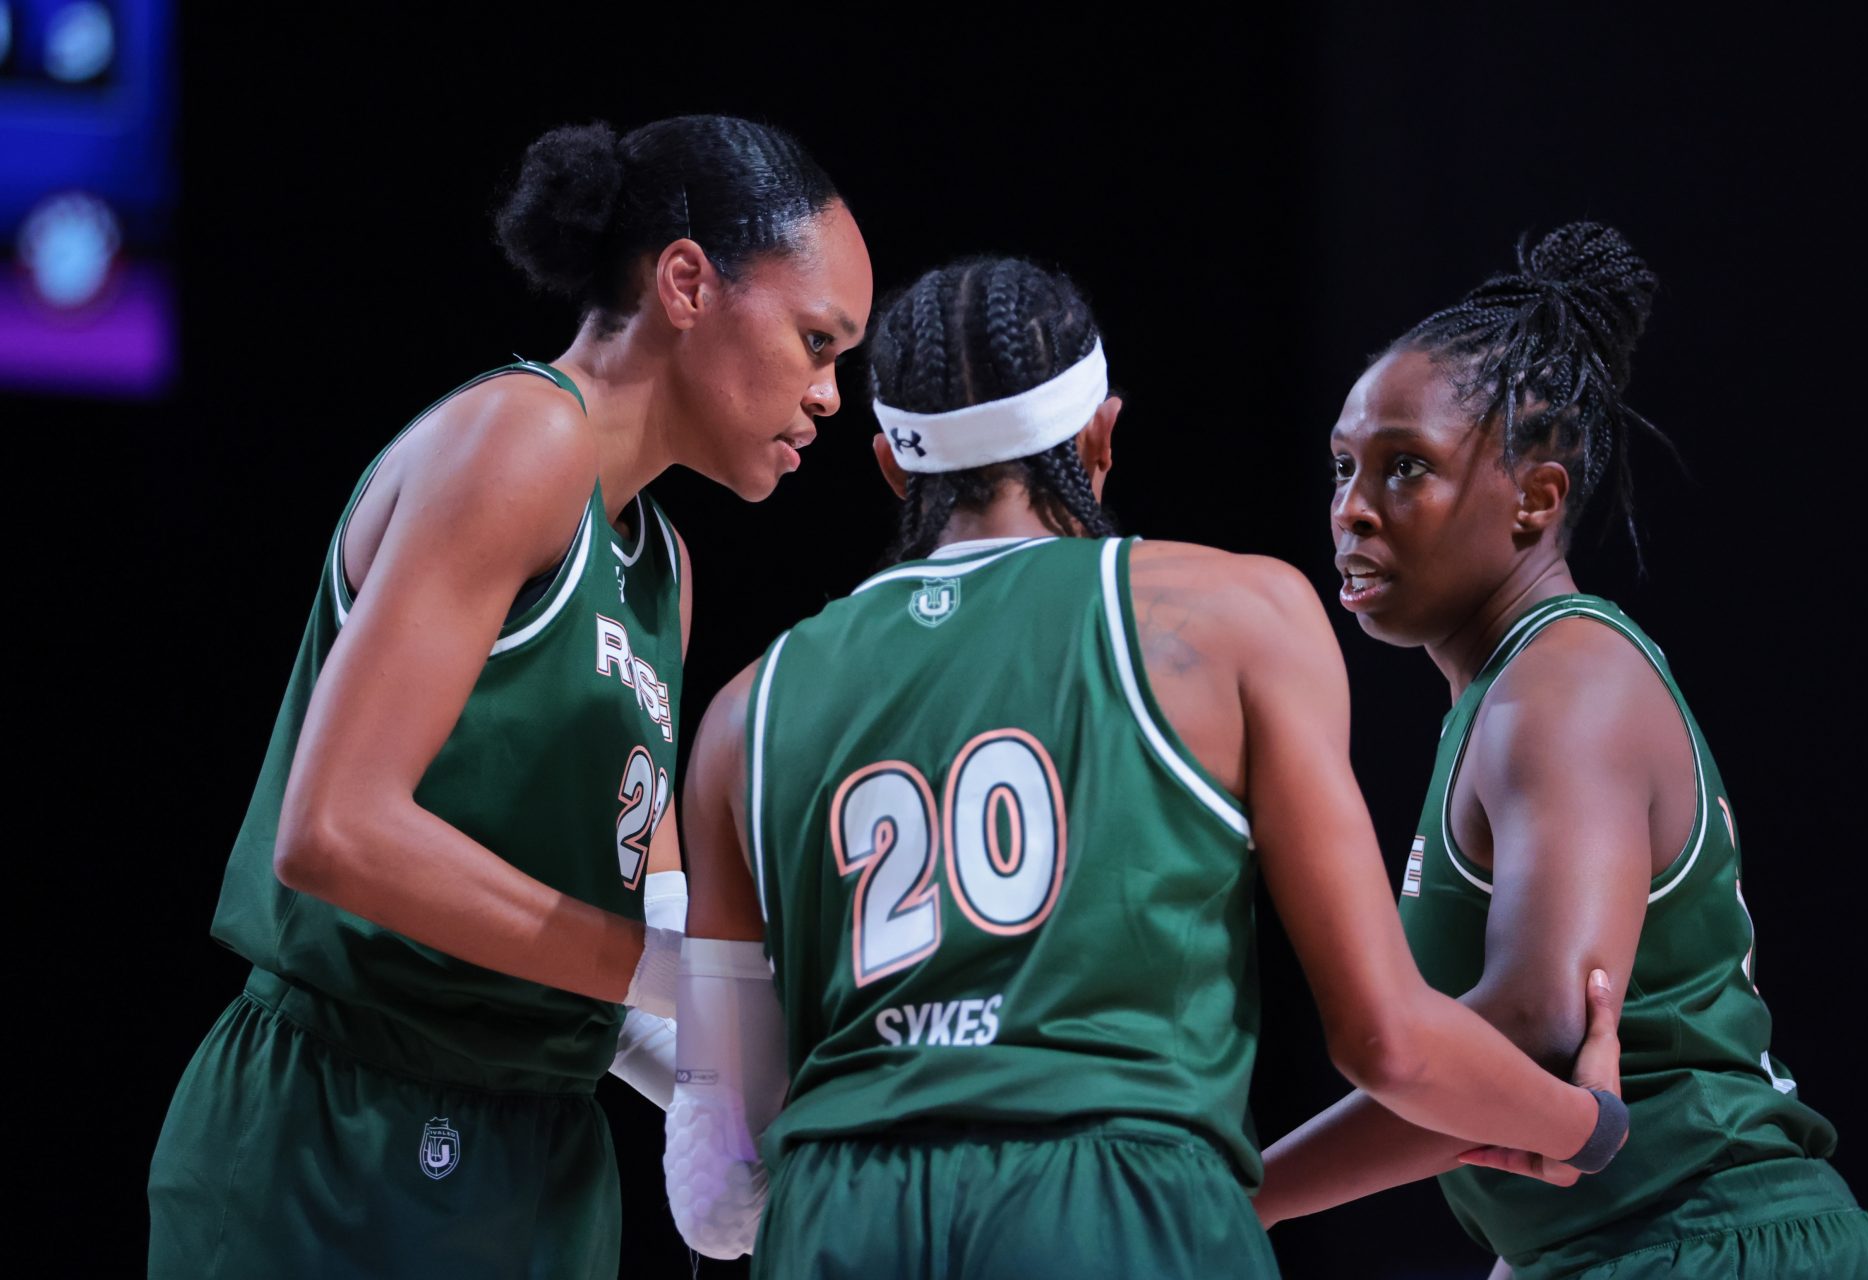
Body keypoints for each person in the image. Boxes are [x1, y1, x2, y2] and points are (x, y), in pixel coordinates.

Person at [657, 256, 1626, 1278]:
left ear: (895, 468)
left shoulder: (745, 711)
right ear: (1099, 436)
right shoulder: (1231, 615)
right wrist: (1584, 1125)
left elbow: (717, 1189)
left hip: (837, 1215)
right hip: (1113, 1200)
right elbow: (1386, 1038)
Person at [147, 115, 872, 1279]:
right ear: (686, 282)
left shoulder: (666, 572)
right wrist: (676, 979)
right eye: (817, 340)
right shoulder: (522, 438)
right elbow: (332, 829)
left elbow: (654, 931)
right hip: (346, 1128)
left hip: (542, 1143)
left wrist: (737, 1071)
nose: (833, 394)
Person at [1257, 222, 1868, 1278]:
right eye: (1342, 468)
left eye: (1405, 467)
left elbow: (1536, 1029)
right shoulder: (1512, 689)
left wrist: (1247, 1195)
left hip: (1713, 1241)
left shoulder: (1565, 683)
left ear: (1537, 496)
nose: (1352, 511)